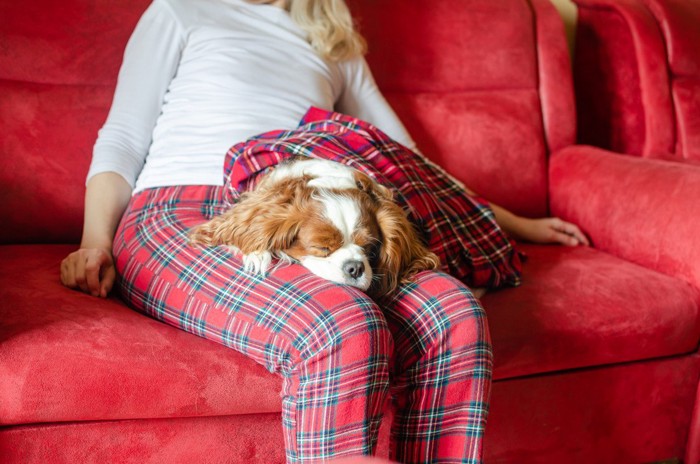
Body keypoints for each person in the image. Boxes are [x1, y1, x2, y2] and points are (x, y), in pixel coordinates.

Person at [60, 0, 588, 462]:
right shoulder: (180, 9)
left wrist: (513, 221)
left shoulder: (333, 45)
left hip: (305, 216)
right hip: (179, 212)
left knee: (455, 315)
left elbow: (409, 163)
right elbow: (124, 138)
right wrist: (94, 242)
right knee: (341, 325)